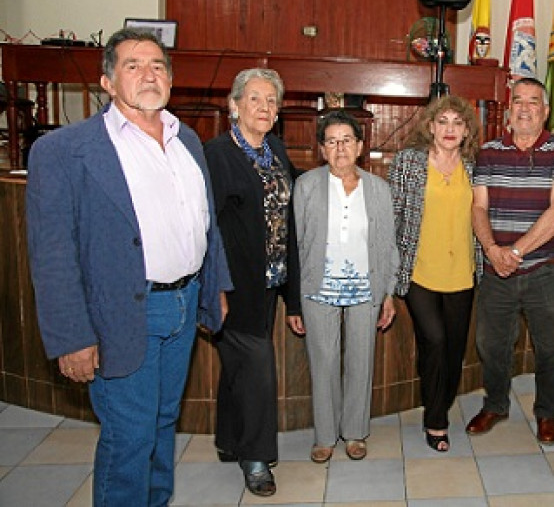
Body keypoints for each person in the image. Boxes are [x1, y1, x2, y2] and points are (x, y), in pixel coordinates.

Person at [26, 28, 231, 506]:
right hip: (120, 314)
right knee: (130, 437)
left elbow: (206, 222)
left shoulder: (189, 143)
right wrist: (72, 336)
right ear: (107, 81)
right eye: (133, 65)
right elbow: (52, 253)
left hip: (181, 307)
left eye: (158, 65)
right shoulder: (65, 151)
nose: (148, 74)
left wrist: (213, 286)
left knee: (161, 426)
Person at [465, 77, 554, 445]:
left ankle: (547, 412)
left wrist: (515, 253)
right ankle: (496, 404)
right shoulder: (488, 152)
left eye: (534, 102)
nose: (525, 108)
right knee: (491, 344)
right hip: (496, 268)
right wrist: (492, 250)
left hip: (546, 268)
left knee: (550, 346)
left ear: (546, 112)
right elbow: (478, 207)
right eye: (518, 101)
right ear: (508, 110)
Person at [204, 68, 299, 496]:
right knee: (258, 368)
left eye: (271, 101)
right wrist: (214, 287)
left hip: (270, 281)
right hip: (234, 284)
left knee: (239, 367)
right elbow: (205, 229)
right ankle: (257, 457)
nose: (264, 108)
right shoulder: (216, 155)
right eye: (255, 99)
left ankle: (228, 440)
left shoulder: (275, 150)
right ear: (235, 105)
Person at [289, 109, 398, 464]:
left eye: (347, 140)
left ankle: (354, 432)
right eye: (332, 141)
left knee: (360, 361)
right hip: (318, 288)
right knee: (322, 361)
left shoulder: (378, 189)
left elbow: (387, 244)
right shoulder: (305, 186)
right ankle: (324, 436)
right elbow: (297, 244)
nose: (340, 148)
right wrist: (294, 300)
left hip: (366, 288)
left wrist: (388, 292)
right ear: (321, 149)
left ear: (360, 146)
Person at [388, 95, 482, 452]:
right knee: (435, 341)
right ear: (429, 126)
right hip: (419, 271)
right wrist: (388, 270)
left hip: (462, 271)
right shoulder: (408, 162)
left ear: (466, 131)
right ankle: (436, 419)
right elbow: (393, 217)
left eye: (457, 123)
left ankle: (439, 402)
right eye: (442, 122)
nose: (449, 129)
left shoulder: (474, 166)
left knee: (454, 349)